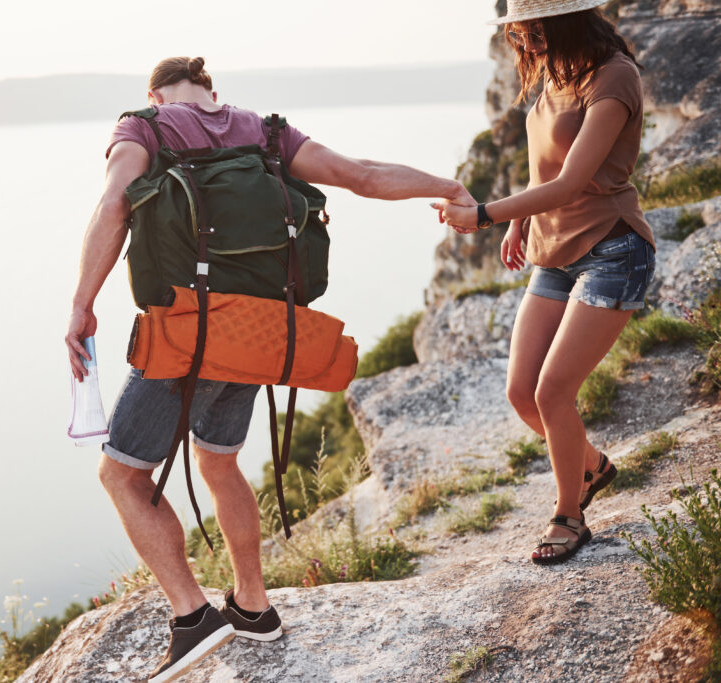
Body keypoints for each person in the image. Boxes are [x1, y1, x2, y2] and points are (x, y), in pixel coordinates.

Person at [66, 56, 474, 682]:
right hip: (261, 334)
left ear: (155, 94)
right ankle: (253, 606)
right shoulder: (263, 132)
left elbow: (114, 206)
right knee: (218, 459)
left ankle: (192, 617)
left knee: (121, 475)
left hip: (187, 333)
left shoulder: (144, 129)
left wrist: (81, 305)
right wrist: (447, 187)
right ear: (212, 94)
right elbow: (360, 175)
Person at [432, 0, 655, 565]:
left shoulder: (614, 77)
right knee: (520, 391)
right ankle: (594, 466)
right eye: (521, 36)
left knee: (552, 391)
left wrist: (487, 213)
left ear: (565, 24)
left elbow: (577, 179)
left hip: (613, 247)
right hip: (553, 252)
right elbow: (545, 166)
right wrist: (521, 220)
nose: (527, 46)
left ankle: (570, 514)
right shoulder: (557, 72)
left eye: (535, 34)